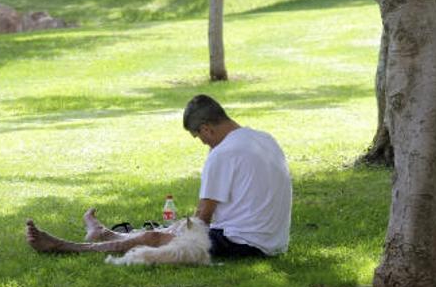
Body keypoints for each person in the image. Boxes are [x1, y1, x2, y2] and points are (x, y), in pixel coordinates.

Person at [25, 94, 292, 258]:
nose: (201, 142)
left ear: (207, 129)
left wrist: (171, 233)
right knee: (170, 230)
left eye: (197, 136)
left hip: (245, 244)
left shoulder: (222, 153)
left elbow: (203, 219)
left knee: (153, 239)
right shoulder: (263, 139)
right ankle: (104, 234)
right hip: (274, 241)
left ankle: (62, 246)